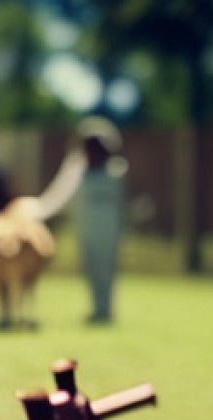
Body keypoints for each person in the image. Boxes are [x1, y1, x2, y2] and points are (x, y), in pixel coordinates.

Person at [73, 117, 127, 324]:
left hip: (108, 227)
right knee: (92, 268)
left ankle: (106, 310)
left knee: (107, 269)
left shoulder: (116, 170)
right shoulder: (82, 171)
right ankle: (96, 308)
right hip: (87, 226)